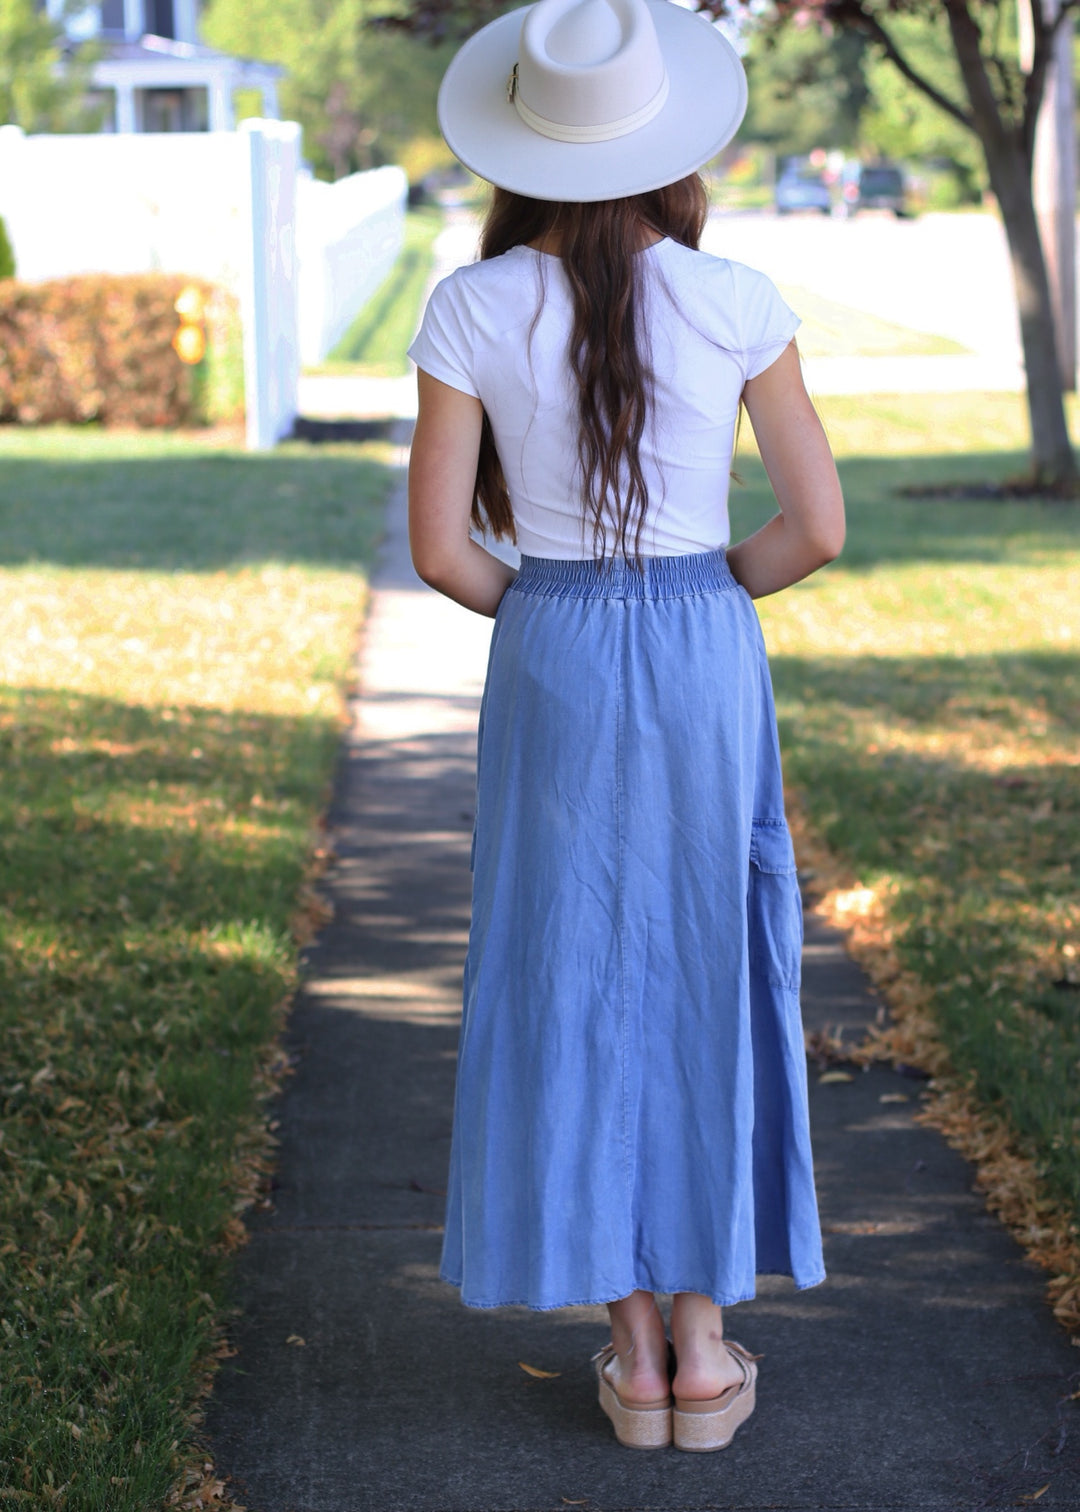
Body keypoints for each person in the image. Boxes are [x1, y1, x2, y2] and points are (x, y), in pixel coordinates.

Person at [406, 0, 844, 1454]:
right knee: (713, 955)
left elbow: (442, 553)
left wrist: (557, 616)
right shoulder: (738, 297)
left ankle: (631, 1340)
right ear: (667, 144)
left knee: (568, 955)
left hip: (555, 639)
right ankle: (708, 1347)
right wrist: (707, 594)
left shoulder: (470, 308)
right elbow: (817, 528)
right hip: (708, 639)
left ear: (522, 144)